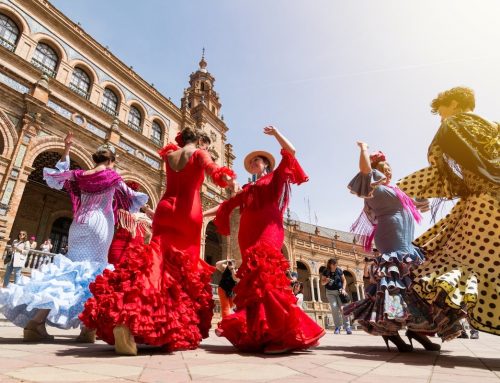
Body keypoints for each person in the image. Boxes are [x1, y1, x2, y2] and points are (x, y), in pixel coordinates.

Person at [80, 127, 236, 355]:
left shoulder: (170, 155)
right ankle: (165, 325)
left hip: (165, 209)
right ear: (201, 142)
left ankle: (126, 318)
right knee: (182, 273)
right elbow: (215, 171)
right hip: (187, 213)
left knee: (154, 263)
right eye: (207, 145)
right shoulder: (200, 153)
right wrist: (227, 178)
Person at [0, 132, 148, 342]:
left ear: (95, 159)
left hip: (78, 224)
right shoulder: (113, 176)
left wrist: (67, 148)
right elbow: (131, 197)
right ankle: (87, 328)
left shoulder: (80, 176)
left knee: (70, 270)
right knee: (94, 273)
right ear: (111, 161)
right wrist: (148, 211)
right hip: (99, 225)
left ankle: (36, 322)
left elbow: (58, 176)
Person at [207, 126, 325, 354]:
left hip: (269, 231)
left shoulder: (275, 177)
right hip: (247, 236)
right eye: (251, 162)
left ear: (266, 165)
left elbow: (291, 151)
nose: (253, 164)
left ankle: (283, 333)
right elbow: (224, 207)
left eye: (257, 161)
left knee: (267, 275)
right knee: (255, 284)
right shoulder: (247, 188)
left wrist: (277, 133)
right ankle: (267, 332)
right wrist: (196, 215)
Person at [398, 87, 499, 337]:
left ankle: (432, 319)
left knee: (457, 262)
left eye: (441, 111)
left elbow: (441, 172)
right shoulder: (494, 127)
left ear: (453, 104)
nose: (441, 117)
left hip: (482, 206)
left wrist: (402, 190)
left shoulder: (453, 125)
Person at [344, 142, 439, 352]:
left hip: (407, 242)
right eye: (384, 169)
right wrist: (364, 149)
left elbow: (418, 204)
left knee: (413, 285)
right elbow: (365, 170)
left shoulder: (397, 190)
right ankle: (391, 330)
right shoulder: (374, 187)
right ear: (376, 171)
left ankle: (417, 329)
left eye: (390, 169)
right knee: (393, 284)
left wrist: (425, 194)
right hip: (390, 238)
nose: (388, 172)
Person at [107, 181, 154, 266]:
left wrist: (146, 209)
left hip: (136, 256)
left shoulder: (143, 218)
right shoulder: (119, 211)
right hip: (118, 250)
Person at [321, 258, 352, 334]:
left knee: (343, 308)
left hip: (339, 292)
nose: (336, 266)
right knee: (334, 308)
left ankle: (347, 326)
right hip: (330, 292)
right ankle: (337, 327)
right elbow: (322, 283)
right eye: (334, 264)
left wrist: (344, 289)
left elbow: (344, 280)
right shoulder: (326, 271)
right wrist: (326, 281)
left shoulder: (339, 270)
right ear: (330, 265)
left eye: (336, 264)